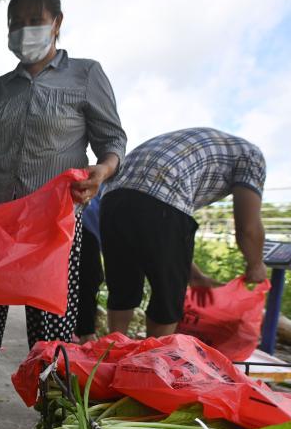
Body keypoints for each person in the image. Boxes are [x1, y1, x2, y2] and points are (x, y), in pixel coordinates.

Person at [0, 0, 126, 396]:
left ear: (57, 23)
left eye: (34, 19)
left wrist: (102, 171)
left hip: (54, 220)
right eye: (15, 22)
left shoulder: (86, 75)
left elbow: (112, 140)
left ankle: (50, 387)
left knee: (48, 310)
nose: (24, 29)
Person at [99, 127, 268, 337]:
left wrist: (195, 276)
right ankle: (152, 362)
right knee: (167, 297)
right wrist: (256, 264)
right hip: (163, 191)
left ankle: (111, 351)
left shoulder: (209, 145)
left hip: (112, 198)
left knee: (123, 286)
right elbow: (248, 227)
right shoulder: (253, 156)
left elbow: (164, 245)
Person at [75, 189, 104, 343]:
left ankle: (83, 331)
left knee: (91, 276)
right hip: (83, 223)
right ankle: (86, 334)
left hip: (83, 221)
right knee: (90, 277)